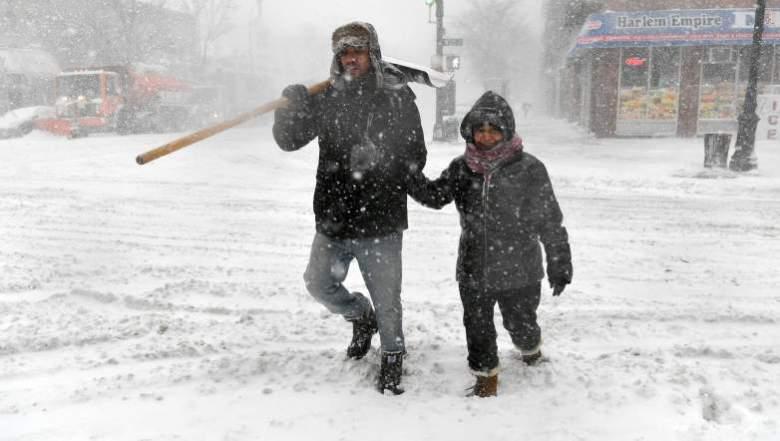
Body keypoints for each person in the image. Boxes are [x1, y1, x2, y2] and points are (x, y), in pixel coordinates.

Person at [272, 21, 427, 395]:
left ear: (372, 53)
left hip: (381, 218)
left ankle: (393, 354)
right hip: (334, 216)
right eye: (343, 53)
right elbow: (289, 140)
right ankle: (360, 316)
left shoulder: (397, 97)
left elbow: (417, 156)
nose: (350, 59)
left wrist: (382, 158)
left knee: (388, 301)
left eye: (357, 51)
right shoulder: (327, 97)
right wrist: (290, 108)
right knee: (318, 283)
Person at [409, 91, 572, 397]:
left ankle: (530, 348)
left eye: (493, 129)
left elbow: (550, 220)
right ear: (470, 132)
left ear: (506, 131)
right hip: (474, 268)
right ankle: (486, 377)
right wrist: (408, 175)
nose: (485, 136)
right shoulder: (461, 168)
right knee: (477, 326)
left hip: (520, 269)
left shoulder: (529, 168)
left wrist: (559, 261)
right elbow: (435, 196)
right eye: (480, 129)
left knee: (521, 325)